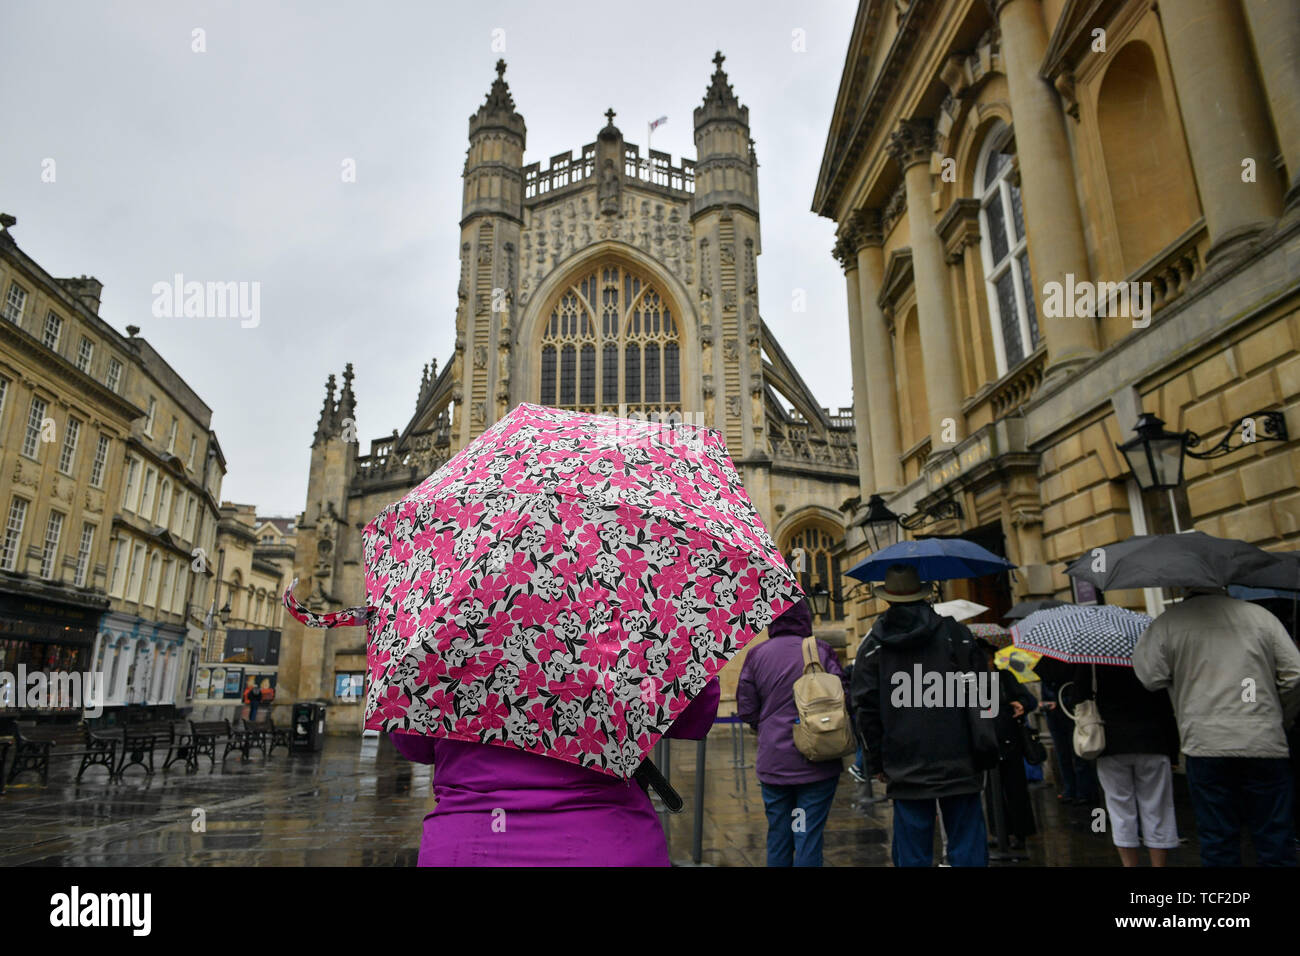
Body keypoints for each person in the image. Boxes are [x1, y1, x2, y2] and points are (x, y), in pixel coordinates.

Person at [390, 678, 719, 866]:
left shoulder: (445, 622)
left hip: (470, 846)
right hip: (607, 846)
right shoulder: (617, 603)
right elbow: (692, 712)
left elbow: (413, 745)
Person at [1134, 587, 1300, 867]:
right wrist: (1279, 717)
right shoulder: (1261, 617)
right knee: (1275, 838)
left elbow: (1150, 677)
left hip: (1205, 742)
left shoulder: (1168, 623)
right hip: (1264, 740)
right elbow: (1295, 674)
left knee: (1218, 840)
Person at [851, 565, 990, 867]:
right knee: (968, 846)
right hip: (960, 757)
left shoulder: (873, 646)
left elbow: (866, 709)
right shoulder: (957, 635)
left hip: (904, 761)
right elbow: (984, 692)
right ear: (924, 594)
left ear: (887, 598)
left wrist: (876, 761)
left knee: (912, 852)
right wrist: (984, 742)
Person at [736, 598, 846, 866]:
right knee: (807, 835)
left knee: (779, 835)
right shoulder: (820, 650)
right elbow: (845, 698)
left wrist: (767, 726)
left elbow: (747, 708)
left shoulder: (757, 654)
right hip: (818, 761)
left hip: (774, 762)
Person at [1066, 661, 1180, 866]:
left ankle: (1130, 864)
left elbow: (1077, 697)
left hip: (1111, 742)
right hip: (1152, 740)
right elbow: (1166, 707)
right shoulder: (1149, 657)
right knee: (1158, 809)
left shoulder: (1093, 659)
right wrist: (1173, 752)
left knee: (1120, 810)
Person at [978, 638, 1038, 849]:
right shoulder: (973, 680)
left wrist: (1020, 704)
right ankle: (999, 832)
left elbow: (1029, 700)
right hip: (987, 743)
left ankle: (1019, 833)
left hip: (1009, 741)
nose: (986, 662)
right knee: (992, 793)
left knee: (1015, 788)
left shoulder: (1005, 677)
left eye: (988, 658)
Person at [1040, 679, 1098, 805]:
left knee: (1077, 753)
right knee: (1063, 754)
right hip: (1054, 717)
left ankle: (1083, 790)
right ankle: (1070, 788)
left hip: (1070, 714)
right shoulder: (1046, 677)